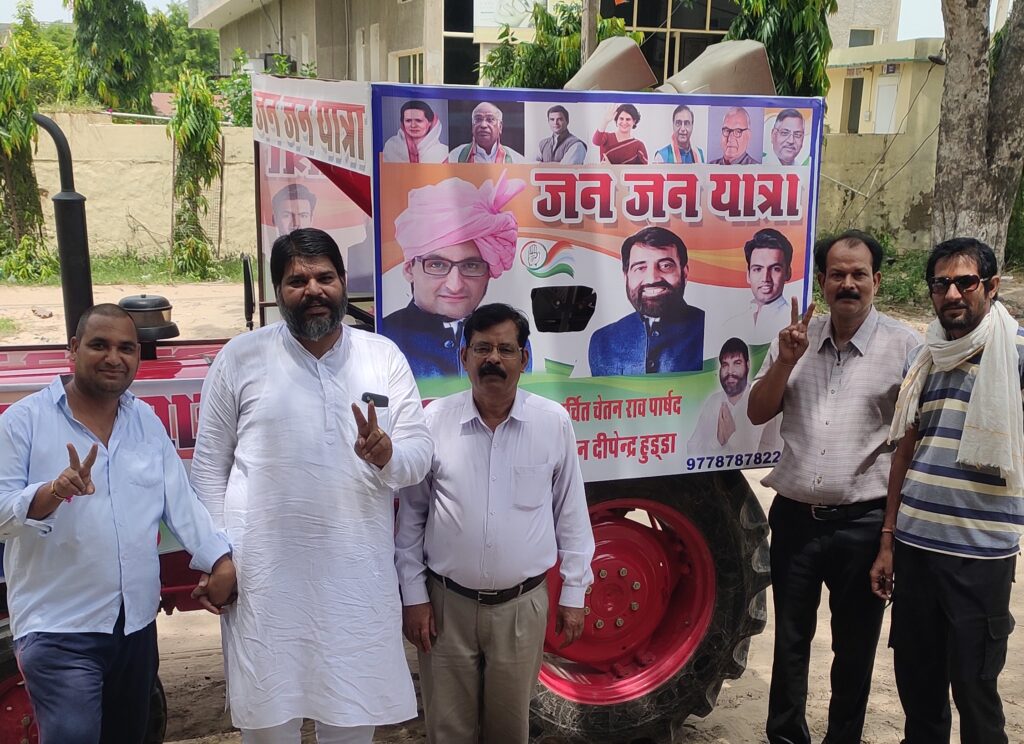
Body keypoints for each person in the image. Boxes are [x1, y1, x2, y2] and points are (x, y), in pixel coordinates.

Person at [190, 228, 433, 744]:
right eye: (297, 281)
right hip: (264, 587)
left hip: (356, 587)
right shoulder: (241, 357)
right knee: (267, 725)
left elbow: (418, 456)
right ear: (278, 291)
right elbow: (209, 469)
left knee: (351, 722)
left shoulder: (382, 356)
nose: (313, 290)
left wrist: (387, 454)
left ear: (344, 282)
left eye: (324, 277)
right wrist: (218, 558)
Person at [0, 303, 235, 743]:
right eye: (99, 345)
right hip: (60, 629)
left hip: (135, 626)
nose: (114, 357)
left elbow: (181, 503)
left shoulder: (144, 421)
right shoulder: (23, 422)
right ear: (73, 348)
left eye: (126, 348)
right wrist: (53, 492)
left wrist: (219, 560)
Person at [747, 229, 921, 744]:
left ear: (877, 281)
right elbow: (757, 411)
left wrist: (889, 537)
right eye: (837, 274)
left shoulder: (905, 348)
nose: (848, 284)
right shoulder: (795, 339)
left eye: (859, 274)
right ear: (822, 281)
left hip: (864, 525)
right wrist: (785, 360)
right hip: (795, 519)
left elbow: (911, 448)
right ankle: (786, 737)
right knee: (790, 643)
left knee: (855, 648)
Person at [396, 303, 595, 744]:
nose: (493, 359)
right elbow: (411, 518)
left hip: (521, 609)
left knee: (509, 731)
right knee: (447, 731)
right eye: (482, 348)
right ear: (463, 356)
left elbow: (571, 514)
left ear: (524, 359)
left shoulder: (552, 423)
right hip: (445, 608)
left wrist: (575, 592)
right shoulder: (433, 422)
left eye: (506, 349)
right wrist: (414, 597)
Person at [871, 238, 1023, 744]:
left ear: (991, 286)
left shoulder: (1016, 355)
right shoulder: (924, 358)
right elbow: (905, 451)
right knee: (920, 694)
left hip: (980, 556)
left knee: (977, 695)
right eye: (941, 284)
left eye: (965, 282)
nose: (952, 293)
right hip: (916, 551)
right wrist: (888, 539)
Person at [382, 171, 530, 378]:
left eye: (471, 266)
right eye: (437, 265)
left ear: (489, 272)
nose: (455, 285)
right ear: (409, 269)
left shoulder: (510, 338)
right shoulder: (385, 341)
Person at [588, 226, 705, 376]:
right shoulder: (602, 340)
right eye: (640, 268)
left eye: (665, 266)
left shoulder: (709, 326)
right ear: (626, 276)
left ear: (685, 273)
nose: (652, 278)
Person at [687, 337, 777, 456]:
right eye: (725, 365)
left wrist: (731, 437)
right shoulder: (713, 402)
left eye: (737, 363)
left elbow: (768, 454)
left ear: (748, 365)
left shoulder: (760, 401)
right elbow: (692, 448)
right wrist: (718, 442)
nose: (730, 372)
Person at [722, 228, 795, 346]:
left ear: (788, 273)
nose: (765, 278)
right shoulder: (730, 325)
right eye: (757, 269)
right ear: (748, 275)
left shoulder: (794, 325)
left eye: (775, 269)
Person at [447, 102, 524, 163]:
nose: (483, 125)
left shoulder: (516, 160)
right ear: (472, 126)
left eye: (490, 119)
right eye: (478, 119)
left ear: (500, 127)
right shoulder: (456, 156)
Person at [382, 100, 449, 164]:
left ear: (430, 122)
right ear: (403, 123)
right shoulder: (392, 146)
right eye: (408, 120)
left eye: (418, 120)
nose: (413, 125)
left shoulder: (443, 152)